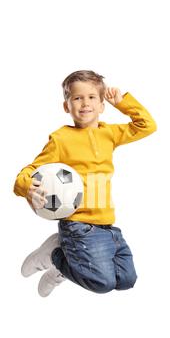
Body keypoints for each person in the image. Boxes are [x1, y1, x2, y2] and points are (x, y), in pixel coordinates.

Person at [13, 70, 157, 297]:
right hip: (78, 225)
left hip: (107, 224)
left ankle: (65, 260)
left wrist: (123, 103)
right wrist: (25, 186)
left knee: (127, 280)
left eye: (91, 97)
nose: (85, 103)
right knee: (102, 283)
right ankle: (54, 257)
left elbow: (147, 125)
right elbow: (32, 170)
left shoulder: (110, 133)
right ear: (66, 106)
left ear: (102, 105)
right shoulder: (61, 138)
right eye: (77, 98)